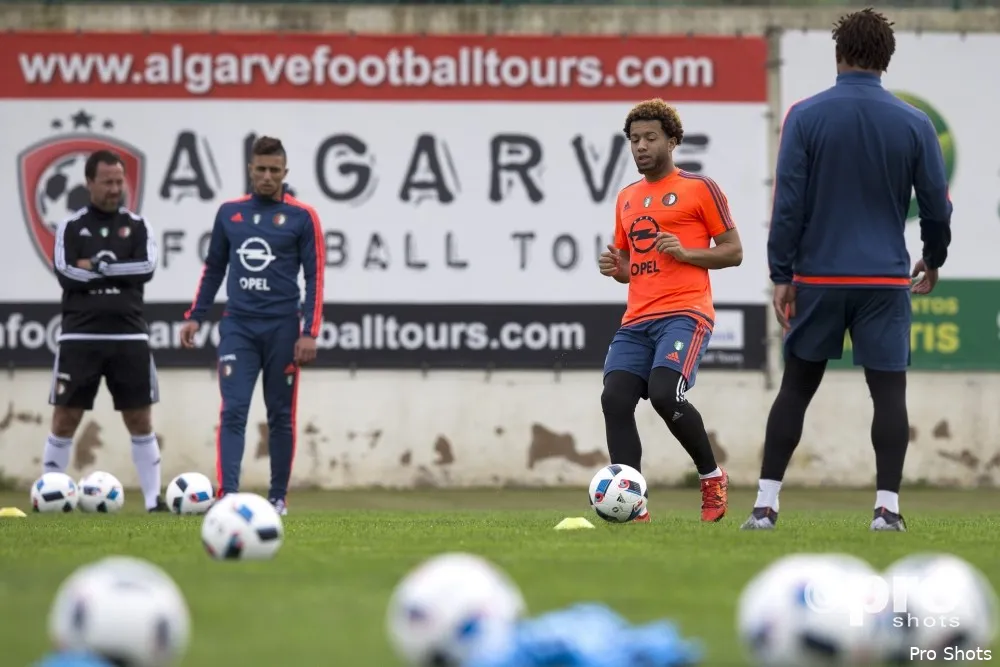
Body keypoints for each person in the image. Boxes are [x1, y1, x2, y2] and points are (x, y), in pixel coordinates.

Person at [741, 9, 952, 532]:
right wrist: (934, 257)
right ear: (886, 59)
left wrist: (781, 274)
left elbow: (787, 205)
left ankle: (765, 506)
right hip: (884, 281)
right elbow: (936, 207)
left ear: (838, 54)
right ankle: (887, 510)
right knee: (889, 394)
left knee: (795, 389)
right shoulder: (915, 123)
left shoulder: (805, 116)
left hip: (818, 278)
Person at [598, 99, 744, 523]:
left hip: (685, 313)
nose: (641, 146)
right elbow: (629, 266)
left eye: (650, 137)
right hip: (636, 321)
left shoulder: (700, 188)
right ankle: (633, 504)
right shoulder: (626, 198)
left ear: (672, 141)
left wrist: (686, 252)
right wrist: (616, 269)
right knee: (614, 399)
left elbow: (733, 252)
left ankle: (712, 477)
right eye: (634, 140)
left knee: (665, 393)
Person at [180, 136, 325, 515]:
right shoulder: (230, 213)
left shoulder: (302, 217)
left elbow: (315, 277)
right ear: (250, 169)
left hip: (283, 329)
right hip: (239, 327)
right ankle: (227, 496)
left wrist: (309, 332)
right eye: (260, 169)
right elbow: (214, 268)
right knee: (233, 410)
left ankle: (277, 498)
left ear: (285, 172)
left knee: (280, 416)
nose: (267, 176)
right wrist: (195, 315)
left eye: (274, 170)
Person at [45, 150, 166, 512]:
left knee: (140, 418)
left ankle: (153, 501)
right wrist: (114, 269)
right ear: (89, 183)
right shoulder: (70, 226)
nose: (115, 189)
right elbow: (66, 272)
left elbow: (146, 268)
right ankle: (48, 497)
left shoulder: (138, 226)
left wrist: (96, 266)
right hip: (79, 336)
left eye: (119, 182)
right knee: (66, 417)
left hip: (129, 335)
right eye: (107, 182)